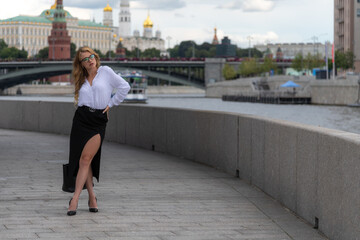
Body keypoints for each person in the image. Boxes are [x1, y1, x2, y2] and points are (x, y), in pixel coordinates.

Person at [66, 46, 130, 216]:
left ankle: (75, 199)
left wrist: (111, 104)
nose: (90, 60)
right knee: (84, 161)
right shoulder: (81, 78)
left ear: (96, 57)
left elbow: (125, 87)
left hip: (97, 121)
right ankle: (92, 197)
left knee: (86, 159)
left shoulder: (106, 72)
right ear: (81, 64)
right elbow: (81, 100)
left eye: (91, 56)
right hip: (81, 120)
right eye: (85, 59)